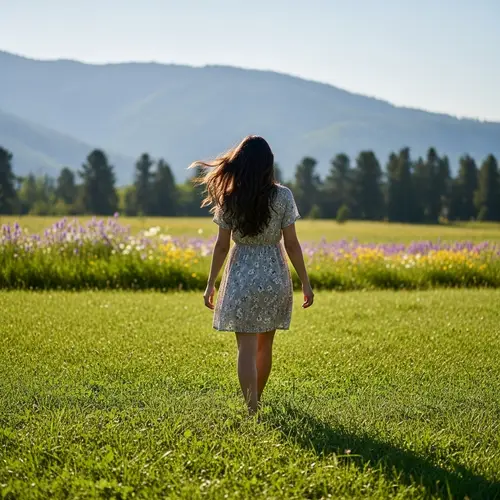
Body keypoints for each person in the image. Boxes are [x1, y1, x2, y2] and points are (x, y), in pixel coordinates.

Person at [191, 135, 314, 415]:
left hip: (240, 275)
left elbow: (222, 246)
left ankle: (251, 408)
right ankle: (256, 399)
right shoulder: (283, 196)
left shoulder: (230, 198)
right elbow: (292, 244)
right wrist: (305, 282)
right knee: (264, 346)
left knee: (245, 348)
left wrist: (211, 283)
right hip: (274, 275)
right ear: (269, 164)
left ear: (241, 164)